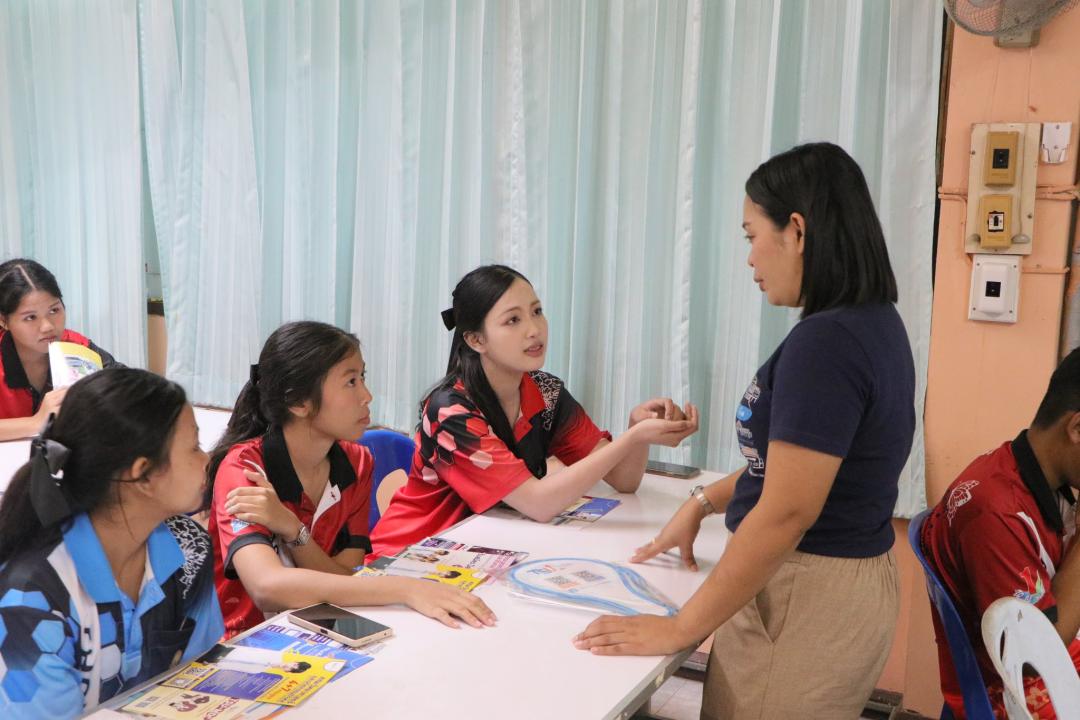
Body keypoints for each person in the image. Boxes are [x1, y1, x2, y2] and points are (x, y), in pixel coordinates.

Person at [573, 142, 916, 720]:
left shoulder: (826, 344)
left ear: (797, 231)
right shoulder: (874, 322)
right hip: (844, 582)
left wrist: (679, 629)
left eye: (752, 236)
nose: (750, 258)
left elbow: (786, 510)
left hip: (807, 590)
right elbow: (805, 466)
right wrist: (702, 501)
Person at [369, 264, 699, 558]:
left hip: (483, 551)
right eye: (513, 320)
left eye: (537, 311)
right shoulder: (449, 412)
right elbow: (539, 503)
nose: (534, 329)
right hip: (411, 558)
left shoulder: (545, 391)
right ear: (476, 340)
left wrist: (637, 429)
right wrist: (632, 439)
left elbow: (624, 481)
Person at [207, 321, 495, 638]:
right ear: (298, 402)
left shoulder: (358, 462)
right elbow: (267, 586)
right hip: (245, 640)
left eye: (363, 378)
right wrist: (405, 589)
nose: (367, 396)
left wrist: (294, 531)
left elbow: (347, 575)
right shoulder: (245, 469)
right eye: (350, 382)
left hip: (316, 628)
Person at [0, 369, 224, 718]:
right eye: (194, 447)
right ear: (143, 474)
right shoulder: (32, 600)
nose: (206, 459)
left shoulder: (189, 547)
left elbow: (204, 680)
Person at [920, 347, 1080, 719]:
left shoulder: (1020, 470)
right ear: (1076, 428)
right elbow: (1038, 659)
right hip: (1012, 690)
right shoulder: (995, 511)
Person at [0, 258, 117, 440]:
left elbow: (130, 391)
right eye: (30, 317)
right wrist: (35, 422)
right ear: (3, 321)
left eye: (54, 310)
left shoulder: (77, 346)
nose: (47, 326)